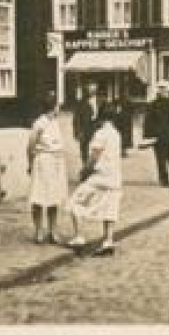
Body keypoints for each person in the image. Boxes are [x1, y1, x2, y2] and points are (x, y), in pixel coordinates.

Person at [66, 106, 123, 257]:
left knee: (75, 202)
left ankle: (79, 236)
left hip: (100, 176)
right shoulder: (116, 134)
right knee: (110, 208)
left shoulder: (100, 134)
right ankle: (108, 240)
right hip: (114, 177)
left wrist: (85, 171)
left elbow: (94, 156)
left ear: (101, 118)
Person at [25, 93, 69, 245]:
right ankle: (38, 231)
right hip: (43, 162)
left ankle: (53, 231)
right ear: (53, 107)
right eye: (57, 106)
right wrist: (30, 164)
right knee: (39, 196)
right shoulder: (39, 123)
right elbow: (30, 145)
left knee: (54, 198)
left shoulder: (56, 123)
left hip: (56, 162)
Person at [71, 86, 100, 168]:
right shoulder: (81, 103)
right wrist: (77, 132)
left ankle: (96, 170)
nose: (91, 91)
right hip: (85, 131)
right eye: (90, 89)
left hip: (98, 130)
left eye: (93, 89)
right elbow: (76, 119)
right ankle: (86, 169)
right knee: (85, 152)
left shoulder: (101, 102)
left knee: (98, 150)